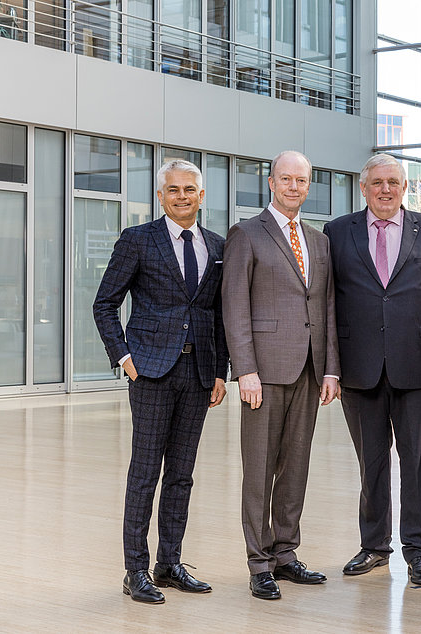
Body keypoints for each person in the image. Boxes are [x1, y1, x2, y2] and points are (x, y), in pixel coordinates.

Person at [93, 159, 228, 604]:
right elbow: (105, 304)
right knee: (145, 473)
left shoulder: (216, 245)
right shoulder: (138, 240)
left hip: (197, 375)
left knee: (182, 476)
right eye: (173, 190)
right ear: (160, 195)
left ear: (201, 195)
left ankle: (169, 564)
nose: (182, 196)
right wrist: (124, 357)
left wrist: (219, 371)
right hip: (150, 372)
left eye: (190, 189)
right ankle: (135, 570)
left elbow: (217, 316)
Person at [323, 154, 421, 585]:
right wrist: (332, 368)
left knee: (418, 461)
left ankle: (420, 550)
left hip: (416, 366)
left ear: (405, 187)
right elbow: (328, 302)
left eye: (394, 182)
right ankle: (374, 546)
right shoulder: (338, 233)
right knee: (370, 462)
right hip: (360, 369)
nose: (386, 189)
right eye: (377, 182)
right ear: (364, 188)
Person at [222, 150, 340, 600]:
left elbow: (325, 307)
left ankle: (286, 553)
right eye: (286, 179)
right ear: (271, 182)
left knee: (295, 467)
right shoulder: (246, 234)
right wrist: (244, 369)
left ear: (309, 186)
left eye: (302, 180)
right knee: (259, 468)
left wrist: (331, 367)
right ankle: (259, 563)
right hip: (264, 372)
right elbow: (234, 307)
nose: (294, 187)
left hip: (310, 369)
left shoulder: (319, 241)